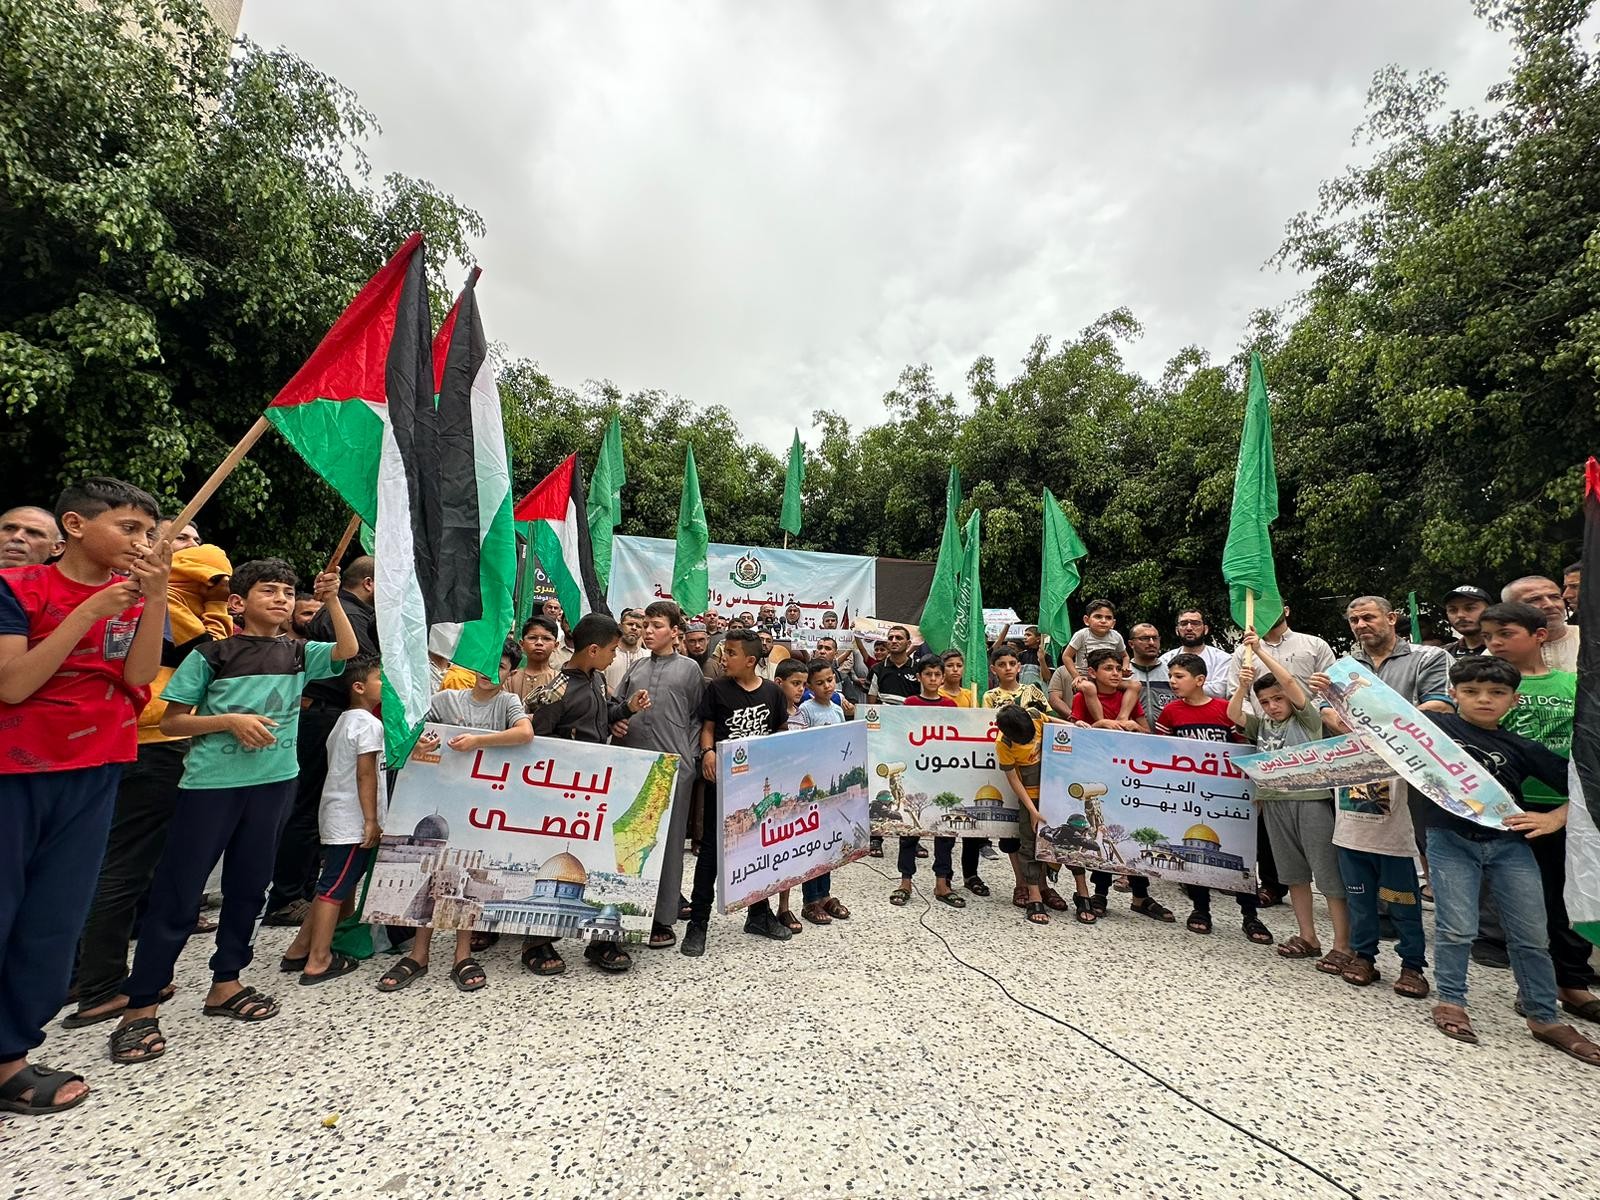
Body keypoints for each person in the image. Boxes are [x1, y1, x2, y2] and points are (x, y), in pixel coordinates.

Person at [111, 559, 354, 1065]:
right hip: (211, 786)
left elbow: (348, 651)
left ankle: (226, 981)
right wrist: (228, 721)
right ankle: (141, 1005)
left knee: (249, 887)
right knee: (178, 892)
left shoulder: (299, 653)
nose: (282, 599)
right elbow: (173, 722)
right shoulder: (211, 654)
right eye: (270, 591)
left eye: (288, 592)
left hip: (275, 784)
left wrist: (331, 600)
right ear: (239, 602)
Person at [0, 478, 167, 1114]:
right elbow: (13, 685)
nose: (141, 542)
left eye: (147, 532)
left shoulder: (132, 597)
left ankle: (11, 1055)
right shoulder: (17, 589)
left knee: (55, 917)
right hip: (17, 768)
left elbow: (139, 675)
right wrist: (89, 612)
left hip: (98, 765)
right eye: (128, 528)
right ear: (74, 525)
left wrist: (153, 600)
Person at [67, 538, 234, 1028]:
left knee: (127, 860)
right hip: (151, 740)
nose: (190, 546)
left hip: (139, 740)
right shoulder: (161, 601)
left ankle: (88, 971)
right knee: (125, 865)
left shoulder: (167, 598)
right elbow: (214, 654)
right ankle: (98, 984)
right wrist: (215, 599)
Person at [1422, 656, 1600, 1064]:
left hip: (1510, 844)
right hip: (1449, 840)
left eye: (1497, 692)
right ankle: (1451, 1001)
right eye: (1471, 691)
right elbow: (1376, 727)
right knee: (1456, 928)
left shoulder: (1523, 747)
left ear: (1514, 700)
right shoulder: (1435, 729)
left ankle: (1544, 1016)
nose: (1484, 699)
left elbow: (1585, 785)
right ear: (1453, 694)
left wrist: (1555, 818)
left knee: (1532, 934)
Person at [381, 646, 535, 993]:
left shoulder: (507, 703)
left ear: (510, 673)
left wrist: (477, 741)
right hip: (436, 794)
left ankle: (462, 955)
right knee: (428, 876)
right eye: (486, 664)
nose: (489, 673)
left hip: (479, 804)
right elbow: (411, 725)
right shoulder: (447, 698)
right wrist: (420, 741)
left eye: (500, 667)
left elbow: (525, 733)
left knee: (467, 880)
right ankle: (419, 953)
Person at [1477, 602, 1598, 1019]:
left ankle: (1573, 984)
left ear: (1539, 635)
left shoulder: (1573, 683)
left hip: (1569, 808)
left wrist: (1566, 810)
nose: (1495, 643)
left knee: (1570, 901)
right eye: (1488, 636)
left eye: (1505, 634)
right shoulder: (1485, 689)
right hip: (1511, 808)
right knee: (1527, 906)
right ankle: (1534, 985)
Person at [523, 613, 647, 975]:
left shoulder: (596, 679)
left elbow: (601, 717)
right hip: (563, 792)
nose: (614, 656)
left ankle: (602, 940)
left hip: (596, 788)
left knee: (600, 859)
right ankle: (537, 943)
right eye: (612, 650)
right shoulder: (556, 690)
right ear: (593, 650)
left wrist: (626, 709)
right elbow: (539, 742)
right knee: (550, 857)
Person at [264, 555, 379, 927]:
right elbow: (360, 662)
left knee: (316, 806)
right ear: (369, 583)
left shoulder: (353, 612)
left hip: (332, 714)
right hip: (322, 714)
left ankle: (309, 889)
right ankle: (287, 897)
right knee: (309, 807)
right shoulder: (344, 613)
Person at [1227, 633, 1350, 973]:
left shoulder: (1306, 718)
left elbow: (1291, 683)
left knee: (1328, 876)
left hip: (1310, 801)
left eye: (1277, 699)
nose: (1272, 706)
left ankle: (1343, 944)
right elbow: (1234, 713)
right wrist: (1243, 687)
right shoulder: (1262, 724)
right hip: (1274, 802)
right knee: (1294, 875)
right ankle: (1308, 936)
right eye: (1265, 701)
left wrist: (1260, 652)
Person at [280, 655, 384, 986]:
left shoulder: (343, 720)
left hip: (338, 815)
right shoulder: (368, 725)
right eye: (380, 679)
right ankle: (319, 960)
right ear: (359, 687)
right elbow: (366, 774)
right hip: (353, 820)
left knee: (334, 883)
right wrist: (371, 820)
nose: (386, 685)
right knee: (333, 888)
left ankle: (300, 947)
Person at [685, 628, 790, 957]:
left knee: (758, 849)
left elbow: (781, 733)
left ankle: (759, 915)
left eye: (730, 653)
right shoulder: (717, 689)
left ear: (750, 660)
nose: (723, 658)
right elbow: (708, 729)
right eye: (723, 652)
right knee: (712, 854)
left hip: (758, 788)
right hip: (724, 785)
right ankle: (698, 923)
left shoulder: (772, 693)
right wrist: (708, 753)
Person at [1155, 653, 1273, 945]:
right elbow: (1159, 751)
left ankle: (1250, 914)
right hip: (1188, 794)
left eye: (1179, 676)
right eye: (1170, 676)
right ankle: (1200, 908)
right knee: (1191, 858)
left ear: (1200, 680)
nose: (1172, 682)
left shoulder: (1223, 709)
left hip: (1227, 795)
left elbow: (1243, 749)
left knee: (1242, 854)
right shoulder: (1170, 712)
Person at [615, 599, 705, 950]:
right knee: (630, 837)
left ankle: (662, 917)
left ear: (675, 632)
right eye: (645, 625)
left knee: (668, 843)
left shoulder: (689, 669)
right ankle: (625, 908)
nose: (648, 631)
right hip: (633, 765)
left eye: (656, 626)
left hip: (674, 767)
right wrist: (619, 721)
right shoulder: (636, 667)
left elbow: (697, 718)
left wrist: (690, 759)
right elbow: (617, 708)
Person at [890, 659, 965, 911]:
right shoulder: (910, 704)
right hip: (915, 776)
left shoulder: (950, 706)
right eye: (928, 674)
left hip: (943, 776)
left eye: (936, 674)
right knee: (909, 831)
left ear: (943, 678)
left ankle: (942, 883)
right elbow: (901, 737)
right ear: (919, 677)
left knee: (944, 832)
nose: (933, 679)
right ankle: (905, 882)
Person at [790, 658, 851, 927]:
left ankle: (825, 894)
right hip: (813, 788)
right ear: (809, 687)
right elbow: (801, 746)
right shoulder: (805, 710)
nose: (827, 686)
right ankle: (810, 900)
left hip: (831, 786)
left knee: (828, 842)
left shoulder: (837, 710)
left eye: (830, 680)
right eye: (820, 683)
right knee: (812, 844)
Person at [993, 704, 1065, 927]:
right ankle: (1034, 896)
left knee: (1057, 843)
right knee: (1029, 843)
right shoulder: (1003, 744)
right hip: (1031, 798)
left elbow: (1056, 724)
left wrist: (1076, 727)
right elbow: (1014, 780)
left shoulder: (1034, 716)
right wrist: (1032, 811)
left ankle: (1046, 887)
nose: (1031, 741)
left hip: (1055, 791)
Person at [1213, 605, 1335, 718]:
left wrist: (1309, 715)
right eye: (1261, 607)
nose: (1267, 610)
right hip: (1263, 730)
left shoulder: (1316, 645)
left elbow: (1334, 688)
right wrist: (1257, 723)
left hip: (1312, 726)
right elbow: (1235, 693)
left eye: (1271, 605)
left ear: (1286, 610)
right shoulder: (1244, 651)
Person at [1501, 576, 1580, 673]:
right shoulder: (1500, 649)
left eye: (1555, 597)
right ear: (1510, 609)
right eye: (1534, 600)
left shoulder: (1590, 639)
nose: (1550, 605)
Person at [1070, 647, 1147, 731]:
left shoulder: (1128, 697)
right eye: (1108, 668)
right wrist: (1099, 724)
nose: (1115, 673)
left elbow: (1149, 733)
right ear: (1092, 672)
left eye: (1119, 669)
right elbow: (1072, 733)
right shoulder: (1082, 697)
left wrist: (1137, 727)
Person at [1159, 609, 1231, 697]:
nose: (1189, 628)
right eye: (1184, 624)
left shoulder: (1222, 659)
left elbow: (1219, 691)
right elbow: (1163, 690)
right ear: (1177, 630)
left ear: (1205, 629)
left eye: (1195, 623)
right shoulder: (1165, 659)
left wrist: (1181, 686)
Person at [1060, 600, 1125, 678]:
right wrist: (1076, 676)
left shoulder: (1116, 636)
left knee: (1133, 684)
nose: (1103, 621)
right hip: (1086, 676)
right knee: (1088, 686)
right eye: (1098, 616)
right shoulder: (1082, 635)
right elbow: (1066, 656)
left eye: (1108, 618)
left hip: (1109, 677)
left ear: (1113, 623)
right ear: (1086, 620)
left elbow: (1125, 656)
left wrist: (1125, 668)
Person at [505, 614, 561, 700]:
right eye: (532, 638)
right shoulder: (509, 679)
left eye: (546, 639)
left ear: (555, 645)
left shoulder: (560, 681)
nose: (539, 643)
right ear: (522, 644)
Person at [1124, 623, 1173, 717]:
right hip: (1131, 726)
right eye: (1145, 638)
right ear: (1131, 644)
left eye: (1155, 638)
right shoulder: (1122, 673)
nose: (1151, 643)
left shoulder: (1171, 672)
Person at [985, 644, 1048, 712]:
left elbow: (1049, 715)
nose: (1008, 668)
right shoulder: (990, 696)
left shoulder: (1033, 691)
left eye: (1012, 664)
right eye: (1002, 665)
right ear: (993, 669)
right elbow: (987, 718)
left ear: (1018, 667)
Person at [865, 625, 921, 700]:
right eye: (890, 638)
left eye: (899, 638)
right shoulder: (876, 669)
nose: (894, 641)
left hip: (911, 707)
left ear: (908, 644)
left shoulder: (919, 669)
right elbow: (871, 703)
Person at [603, 607, 649, 696]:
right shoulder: (606, 653)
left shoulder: (648, 656)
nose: (634, 628)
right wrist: (617, 698)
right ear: (620, 627)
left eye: (639, 626)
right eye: (630, 624)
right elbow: (598, 681)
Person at [1441, 585, 1492, 658]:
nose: (1460, 615)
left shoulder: (1505, 649)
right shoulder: (1442, 655)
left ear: (1489, 610)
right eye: (1453, 610)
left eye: (1470, 608)